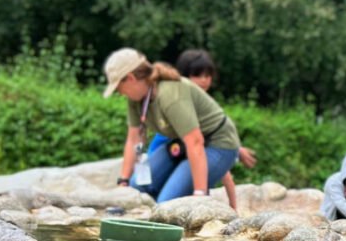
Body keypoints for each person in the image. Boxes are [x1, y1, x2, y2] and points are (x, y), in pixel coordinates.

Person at [103, 48, 246, 208]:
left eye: (118, 88)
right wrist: (124, 182)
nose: (120, 93)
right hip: (182, 144)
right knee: (137, 188)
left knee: (167, 204)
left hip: (217, 144)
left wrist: (199, 194)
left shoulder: (170, 95)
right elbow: (134, 139)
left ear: (130, 78)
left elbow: (195, 141)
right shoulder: (135, 99)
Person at [151, 49, 257, 173]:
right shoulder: (177, 102)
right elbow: (199, 139)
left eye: (207, 76)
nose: (204, 80)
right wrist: (236, 151)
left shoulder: (204, 104)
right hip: (164, 160)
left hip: (184, 155)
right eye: (197, 75)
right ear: (183, 76)